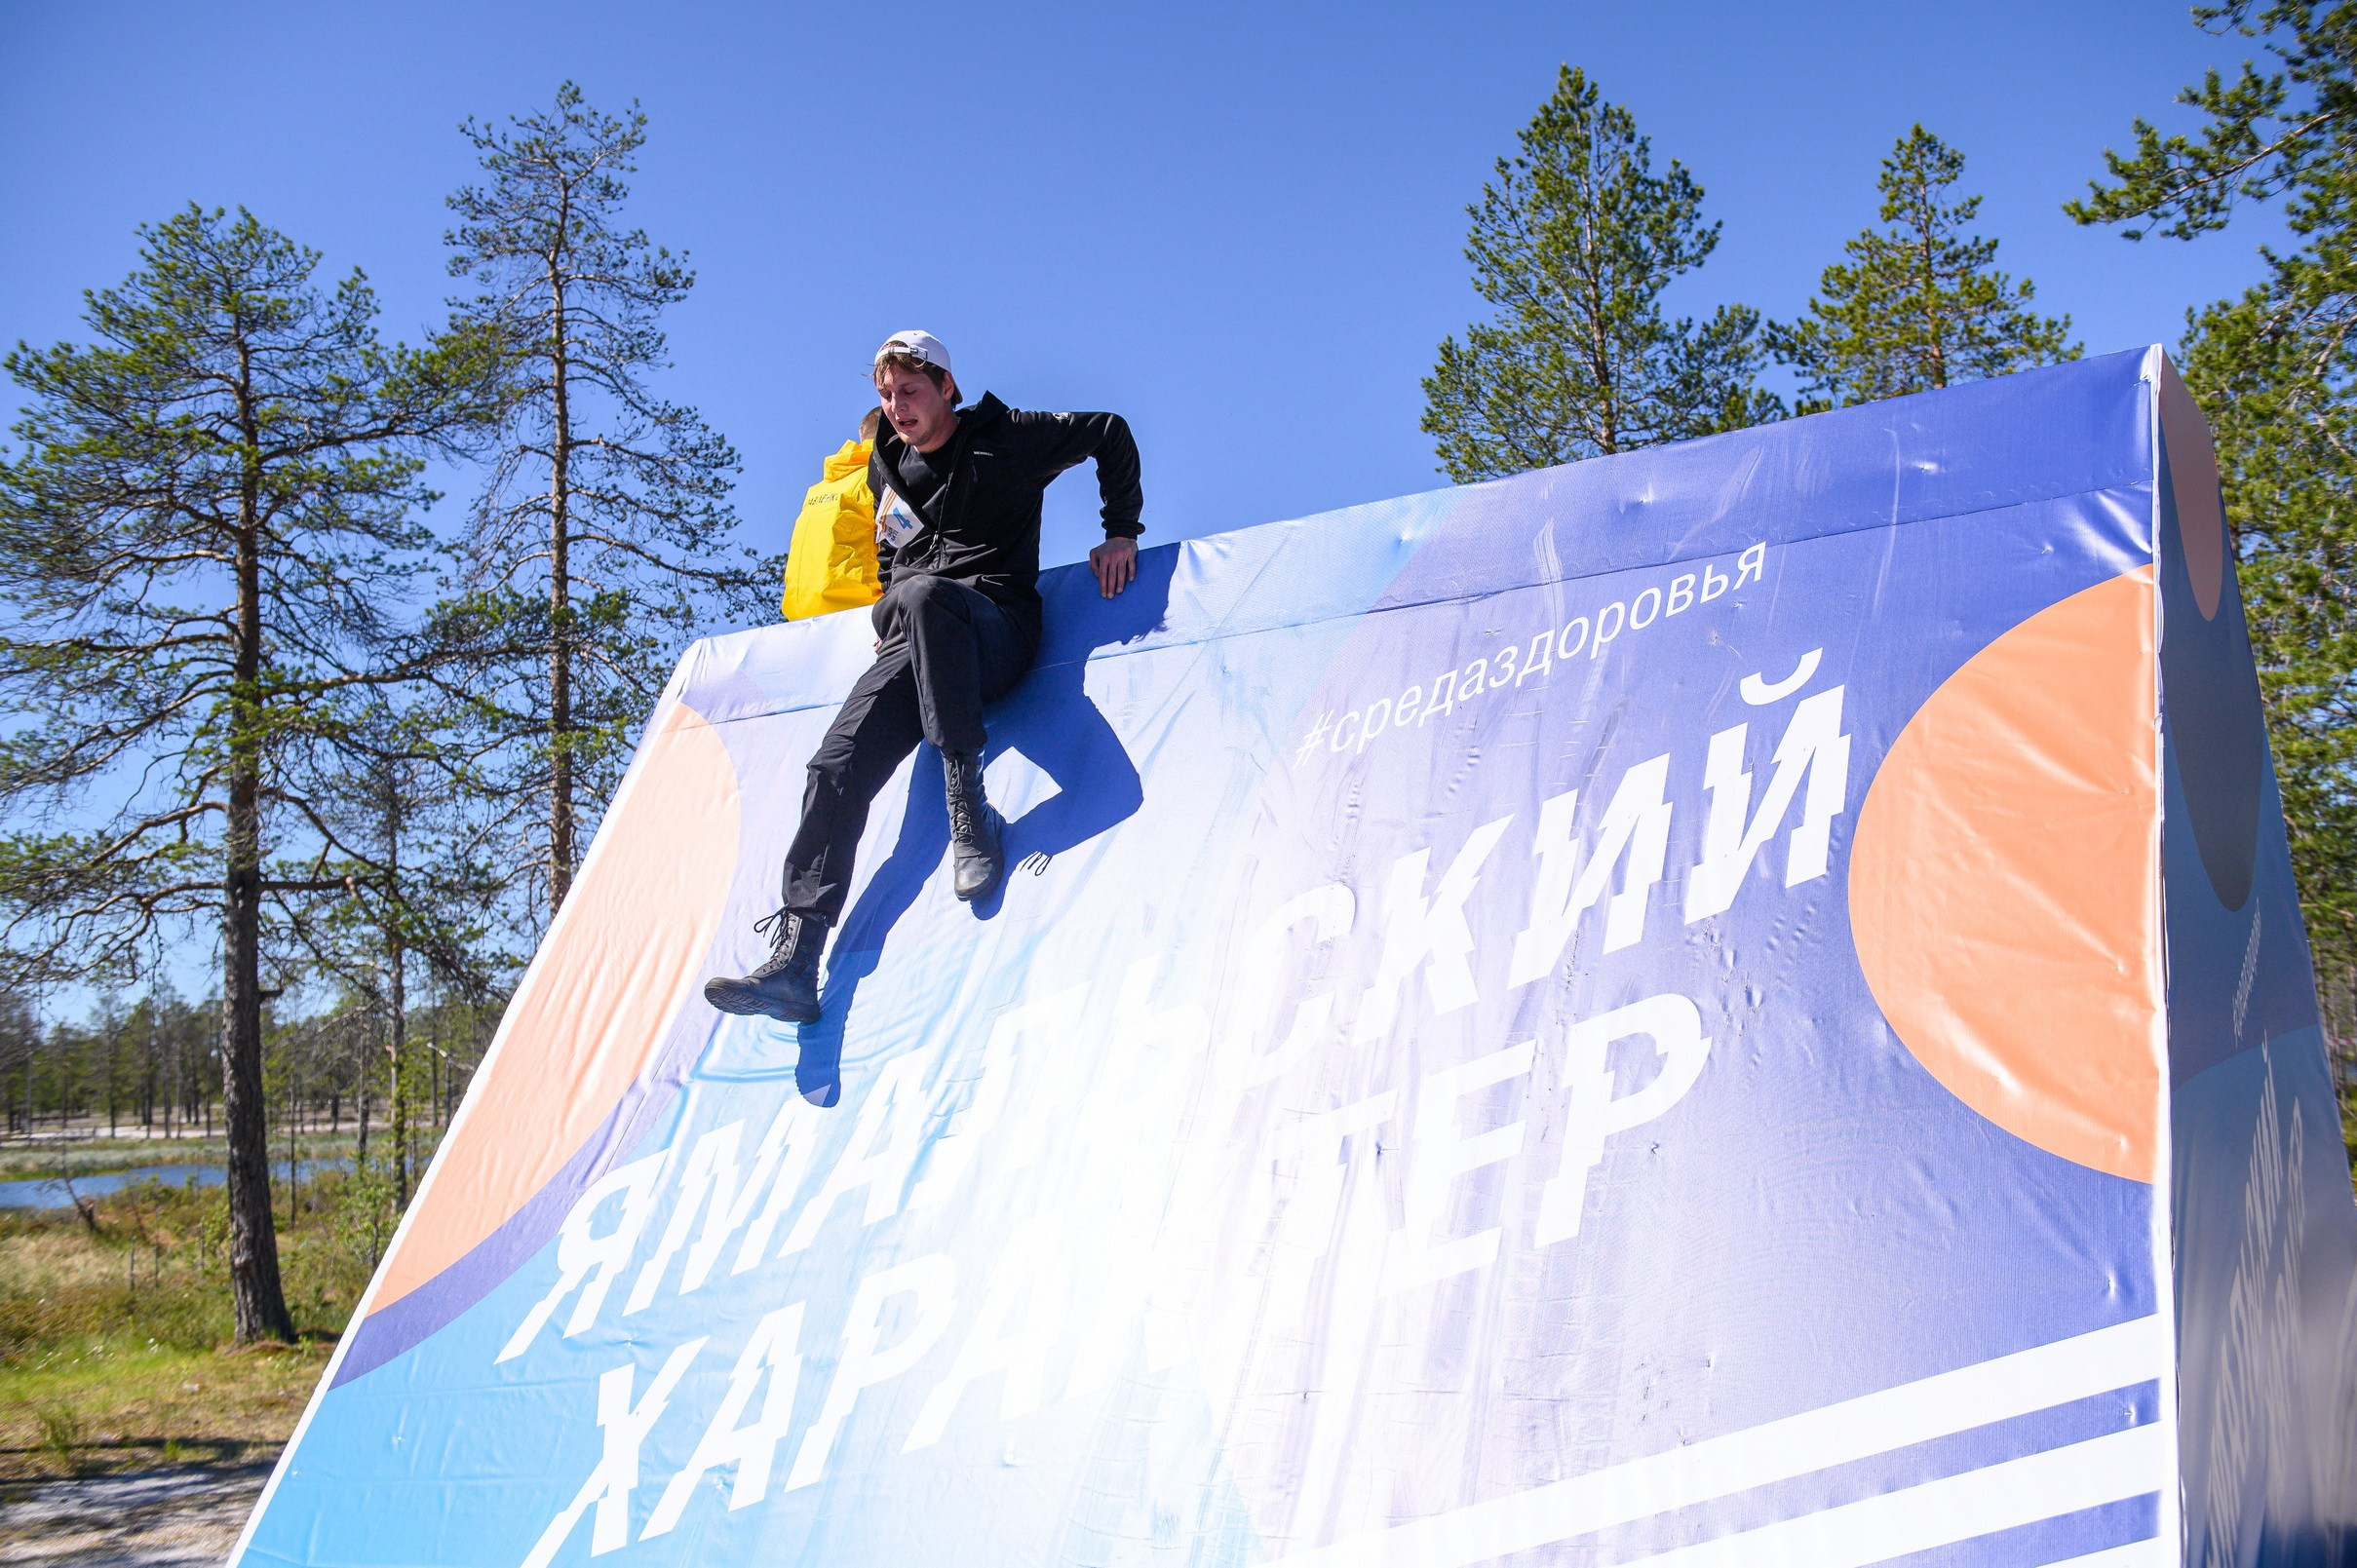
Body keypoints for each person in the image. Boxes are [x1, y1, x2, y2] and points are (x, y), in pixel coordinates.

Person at [706, 330, 1142, 1024]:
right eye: (885, 395)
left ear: (946, 387)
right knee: (834, 764)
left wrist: (1122, 528)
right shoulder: (888, 463)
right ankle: (797, 956)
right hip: (917, 641)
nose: (897, 407)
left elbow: (1109, 432)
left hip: (996, 634)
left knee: (919, 597)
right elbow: (892, 549)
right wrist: (888, 594)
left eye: (909, 391)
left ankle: (972, 817)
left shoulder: (1010, 437)